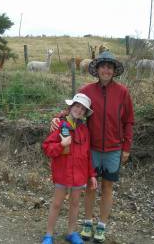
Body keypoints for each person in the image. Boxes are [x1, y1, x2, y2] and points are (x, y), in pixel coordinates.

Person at [51, 50, 134, 243]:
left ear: (114, 71)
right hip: (92, 149)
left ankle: (102, 226)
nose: (106, 70)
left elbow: (129, 121)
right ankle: (87, 223)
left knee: (107, 187)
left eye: (110, 67)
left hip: (114, 149)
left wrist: (127, 147)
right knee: (90, 185)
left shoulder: (123, 92)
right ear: (97, 69)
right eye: (103, 66)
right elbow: (72, 110)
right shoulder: (86, 90)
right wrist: (57, 118)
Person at [42, 93, 98, 244]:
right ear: (71, 107)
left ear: (85, 113)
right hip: (62, 173)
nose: (79, 110)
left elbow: (88, 155)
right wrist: (61, 145)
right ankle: (48, 235)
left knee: (74, 204)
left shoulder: (85, 131)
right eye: (77, 106)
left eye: (82, 109)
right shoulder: (59, 125)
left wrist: (92, 174)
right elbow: (47, 148)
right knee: (57, 204)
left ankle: (71, 233)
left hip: (79, 175)